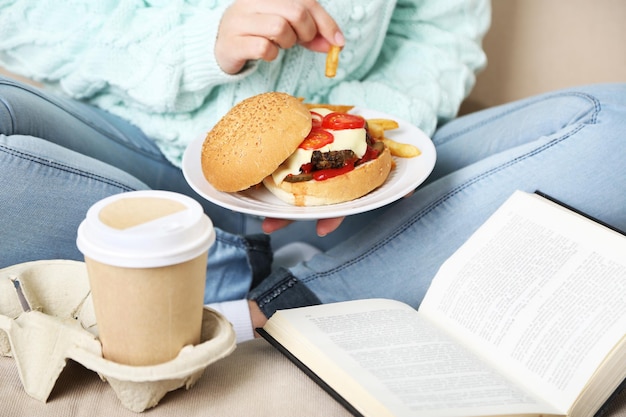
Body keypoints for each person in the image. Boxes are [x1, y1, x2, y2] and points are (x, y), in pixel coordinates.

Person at [2, 1, 625, 343]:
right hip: (145, 164)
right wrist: (201, 42)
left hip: (374, 183)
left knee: (616, 128)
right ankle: (214, 276)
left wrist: (351, 143)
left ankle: (290, 302)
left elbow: (439, 35)